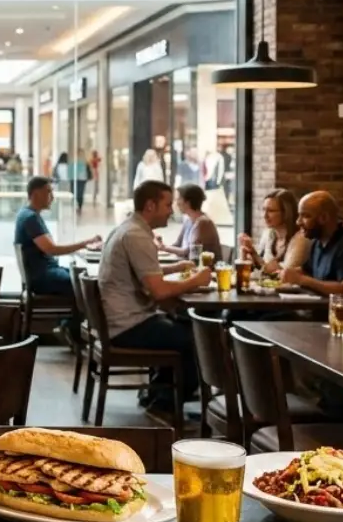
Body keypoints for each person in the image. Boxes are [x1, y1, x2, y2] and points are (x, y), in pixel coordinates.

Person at [96, 181, 209, 415]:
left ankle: (159, 394)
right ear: (150, 206)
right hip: (127, 325)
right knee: (196, 337)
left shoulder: (128, 229)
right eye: (167, 205)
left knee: (182, 325)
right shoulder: (136, 236)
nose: (172, 210)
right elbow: (158, 291)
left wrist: (174, 268)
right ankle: (168, 401)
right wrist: (195, 281)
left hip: (117, 321)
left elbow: (145, 275)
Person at [283, 191, 343, 320]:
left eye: (305, 216)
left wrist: (302, 280)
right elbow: (306, 271)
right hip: (319, 315)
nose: (298, 222)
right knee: (262, 318)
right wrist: (283, 273)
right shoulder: (318, 242)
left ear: (324, 218)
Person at [15, 176, 100, 297]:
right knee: (85, 283)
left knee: (82, 274)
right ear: (35, 194)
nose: (52, 197)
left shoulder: (28, 215)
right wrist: (84, 244)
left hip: (44, 272)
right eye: (48, 192)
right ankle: (81, 316)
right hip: (43, 277)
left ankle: (78, 315)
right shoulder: (30, 218)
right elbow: (52, 249)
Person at [239, 188, 309, 274]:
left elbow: (286, 274)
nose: (265, 215)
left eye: (271, 211)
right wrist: (250, 252)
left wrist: (258, 260)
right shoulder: (269, 233)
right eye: (264, 210)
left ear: (286, 213)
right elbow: (263, 267)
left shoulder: (300, 239)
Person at [159, 184, 223, 261]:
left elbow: (189, 252)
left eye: (178, 199)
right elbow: (178, 245)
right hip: (188, 266)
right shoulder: (188, 220)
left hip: (205, 270)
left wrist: (164, 248)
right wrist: (161, 245)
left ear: (188, 202)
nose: (176, 203)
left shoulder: (203, 223)